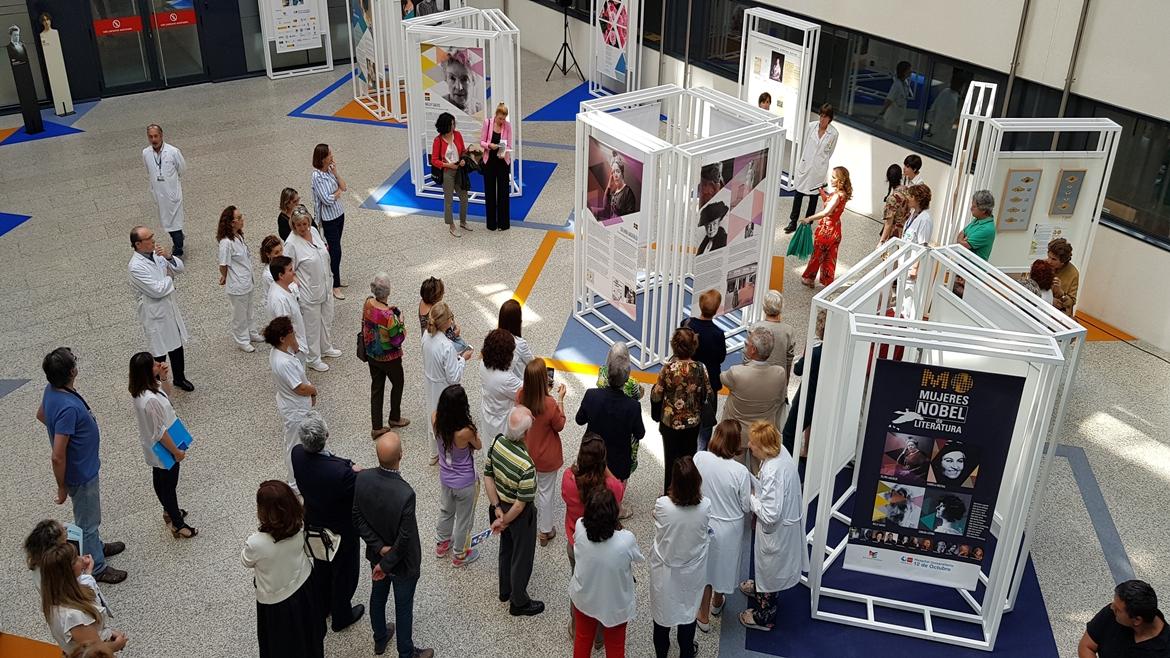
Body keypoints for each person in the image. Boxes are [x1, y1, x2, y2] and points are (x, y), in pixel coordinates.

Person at [37, 347, 127, 584]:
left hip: (83, 466)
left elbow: (41, 415)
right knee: (88, 522)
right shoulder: (67, 407)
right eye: (74, 361)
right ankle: (96, 567)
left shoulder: (52, 391)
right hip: (81, 473)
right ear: (71, 371)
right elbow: (57, 456)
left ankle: (95, 546)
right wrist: (61, 486)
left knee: (89, 519)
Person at [290, 412, 364, 633]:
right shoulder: (341, 473)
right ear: (327, 435)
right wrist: (354, 469)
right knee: (345, 572)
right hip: (341, 529)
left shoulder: (296, 456)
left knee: (322, 566)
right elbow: (357, 491)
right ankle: (342, 614)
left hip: (314, 522)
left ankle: (323, 606)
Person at [242, 480, 325, 658]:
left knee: (281, 645)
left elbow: (246, 560)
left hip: (275, 601)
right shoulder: (298, 524)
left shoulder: (255, 543)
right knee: (310, 634)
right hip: (305, 584)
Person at [739, 421, 804, 632]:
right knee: (767, 572)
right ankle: (760, 588)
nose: (749, 445)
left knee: (770, 571)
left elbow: (770, 514)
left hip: (776, 532)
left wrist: (750, 498)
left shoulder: (773, 471)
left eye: (754, 444)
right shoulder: (780, 452)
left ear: (765, 447)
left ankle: (763, 617)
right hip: (783, 526)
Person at [569, 488, 644, 658]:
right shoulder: (625, 540)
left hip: (584, 597)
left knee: (582, 640)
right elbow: (638, 558)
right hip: (614, 604)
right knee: (615, 648)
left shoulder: (580, 526)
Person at [128, 351, 196, 539]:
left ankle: (169, 511)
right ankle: (178, 523)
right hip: (165, 446)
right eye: (153, 364)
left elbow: (166, 394)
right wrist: (177, 452)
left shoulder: (142, 389)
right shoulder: (149, 400)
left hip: (155, 444)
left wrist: (164, 376)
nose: (158, 363)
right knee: (168, 485)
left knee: (160, 478)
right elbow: (160, 432)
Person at [485, 406, 544, 616]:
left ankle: (505, 590)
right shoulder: (527, 465)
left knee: (506, 548)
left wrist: (497, 508)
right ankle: (518, 601)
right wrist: (507, 520)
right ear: (526, 434)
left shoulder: (497, 442)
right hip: (519, 516)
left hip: (499, 504)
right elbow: (521, 504)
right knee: (522, 555)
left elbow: (488, 475)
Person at [650, 457, 711, 658]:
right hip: (692, 572)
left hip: (665, 573)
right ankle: (686, 652)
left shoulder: (663, 505)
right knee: (688, 613)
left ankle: (662, 655)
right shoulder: (705, 506)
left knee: (662, 617)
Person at [694, 421, 752, 631]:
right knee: (723, 566)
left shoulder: (700, 457)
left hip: (705, 519)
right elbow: (746, 506)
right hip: (730, 527)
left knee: (705, 569)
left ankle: (702, 615)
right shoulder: (740, 471)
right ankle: (718, 602)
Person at [128, 225, 193, 391]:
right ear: (138, 244)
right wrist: (169, 278)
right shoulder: (136, 267)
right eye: (149, 238)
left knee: (176, 344)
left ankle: (179, 378)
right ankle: (156, 382)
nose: (153, 240)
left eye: (152, 236)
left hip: (168, 307)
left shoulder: (157, 255)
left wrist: (169, 257)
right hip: (154, 312)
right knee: (159, 350)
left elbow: (179, 268)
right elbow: (156, 290)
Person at [577, 345, 646, 492]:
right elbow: (640, 433)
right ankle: (618, 509)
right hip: (619, 457)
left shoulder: (591, 395)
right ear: (627, 378)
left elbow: (579, 420)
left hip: (593, 451)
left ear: (607, 373)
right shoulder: (633, 406)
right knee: (617, 487)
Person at [652, 327, 712, 494]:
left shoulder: (668, 368)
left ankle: (669, 493)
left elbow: (657, 395)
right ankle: (687, 492)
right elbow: (709, 393)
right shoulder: (700, 368)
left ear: (674, 346)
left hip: (670, 422)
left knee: (671, 459)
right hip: (692, 423)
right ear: (693, 346)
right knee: (688, 458)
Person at [38, 543, 125, 654]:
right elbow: (94, 653)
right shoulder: (74, 617)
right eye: (76, 558)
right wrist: (117, 644)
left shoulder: (56, 595)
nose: (81, 558)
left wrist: (107, 633)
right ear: (68, 571)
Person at [263, 316, 317, 493]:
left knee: (295, 441)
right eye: (291, 333)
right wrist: (313, 389)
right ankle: (294, 483)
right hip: (295, 408)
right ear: (282, 338)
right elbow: (299, 388)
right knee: (294, 445)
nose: (294, 335)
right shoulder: (283, 362)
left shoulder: (281, 352)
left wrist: (294, 345)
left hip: (293, 404)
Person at [720, 327, 787, 470]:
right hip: (762, 433)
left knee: (734, 470)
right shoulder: (780, 373)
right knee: (760, 471)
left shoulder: (736, 373)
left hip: (737, 433)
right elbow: (780, 400)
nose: (745, 344)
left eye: (747, 343)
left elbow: (721, 378)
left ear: (753, 349)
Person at [517, 357, 567, 546]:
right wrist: (560, 399)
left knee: (528, 488)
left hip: (526, 452)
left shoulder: (521, 395)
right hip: (546, 456)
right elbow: (560, 425)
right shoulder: (550, 404)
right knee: (546, 492)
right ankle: (545, 531)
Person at [433, 384, 483, 567]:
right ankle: (459, 555)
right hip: (465, 482)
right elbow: (478, 446)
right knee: (463, 519)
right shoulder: (466, 431)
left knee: (446, 510)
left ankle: (442, 543)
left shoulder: (435, 419)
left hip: (445, 477)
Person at [285, 208, 340, 370]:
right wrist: (297, 286)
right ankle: (313, 358)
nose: (303, 228)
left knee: (326, 319)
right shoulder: (291, 244)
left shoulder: (314, 232)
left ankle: (326, 347)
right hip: (308, 292)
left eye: (305, 223)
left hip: (325, 285)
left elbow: (323, 251)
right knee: (312, 326)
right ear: (293, 226)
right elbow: (289, 269)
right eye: (299, 225)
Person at [422, 302, 472, 466]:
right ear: (446, 321)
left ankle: (433, 453)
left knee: (432, 414)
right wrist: (462, 360)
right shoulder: (447, 346)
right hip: (444, 388)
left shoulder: (426, 336)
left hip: (430, 382)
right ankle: (448, 455)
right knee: (447, 420)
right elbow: (454, 377)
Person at [364, 272, 409, 438]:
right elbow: (397, 339)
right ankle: (394, 417)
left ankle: (376, 426)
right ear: (388, 291)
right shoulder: (389, 317)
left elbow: (374, 318)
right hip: (389, 358)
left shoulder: (368, 303)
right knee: (398, 383)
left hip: (371, 354)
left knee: (377, 387)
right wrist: (401, 322)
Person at [1078, 580, 1170, 657]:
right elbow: (1086, 646)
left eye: (1118, 610)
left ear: (1137, 620)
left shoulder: (1165, 651)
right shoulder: (1113, 611)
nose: (1112, 608)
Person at [682, 290, 726, 451]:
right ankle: (701, 456)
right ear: (716, 310)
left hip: (688, 379)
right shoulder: (718, 334)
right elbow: (721, 357)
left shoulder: (686, 324)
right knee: (706, 423)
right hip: (710, 384)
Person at [785, 104, 838, 234]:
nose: (822, 119)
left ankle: (807, 223)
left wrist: (819, 163)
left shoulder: (833, 133)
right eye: (821, 115)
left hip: (818, 170)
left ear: (830, 119)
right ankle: (793, 222)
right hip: (806, 165)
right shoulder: (811, 126)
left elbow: (829, 152)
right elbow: (804, 143)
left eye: (825, 117)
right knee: (798, 194)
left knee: (813, 197)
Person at [217, 205, 262, 353]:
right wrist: (225, 276)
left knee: (249, 310)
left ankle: (252, 332)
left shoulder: (238, 236)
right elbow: (223, 264)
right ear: (231, 222)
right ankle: (242, 339)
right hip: (237, 284)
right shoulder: (226, 243)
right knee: (239, 314)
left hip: (246, 280)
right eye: (239, 218)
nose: (243, 220)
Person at [801, 166, 852, 288]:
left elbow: (826, 212)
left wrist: (809, 218)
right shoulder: (842, 194)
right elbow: (830, 205)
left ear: (841, 180)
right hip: (836, 230)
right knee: (830, 258)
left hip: (826, 230)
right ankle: (827, 282)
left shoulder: (836, 196)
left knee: (817, 255)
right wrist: (822, 192)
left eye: (834, 177)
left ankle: (809, 278)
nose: (831, 179)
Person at [782, 311, 824, 457]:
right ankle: (807, 452)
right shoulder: (838, 348)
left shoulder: (816, 351)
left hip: (808, 397)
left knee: (789, 433)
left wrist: (804, 356)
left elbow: (799, 370)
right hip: (825, 398)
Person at [142, 124, 186, 256]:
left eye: (156, 136)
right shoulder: (146, 153)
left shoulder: (173, 152)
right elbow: (148, 170)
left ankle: (178, 248)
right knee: (167, 221)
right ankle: (179, 237)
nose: (153, 139)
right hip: (159, 193)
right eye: (151, 137)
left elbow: (182, 169)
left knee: (175, 223)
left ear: (161, 136)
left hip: (172, 193)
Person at [310, 143, 347, 299]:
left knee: (335, 249)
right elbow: (326, 200)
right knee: (335, 251)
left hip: (339, 214)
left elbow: (344, 186)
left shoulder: (330, 172)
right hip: (329, 218)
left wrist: (336, 173)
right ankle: (334, 285)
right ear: (323, 158)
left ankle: (334, 276)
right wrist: (337, 192)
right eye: (330, 154)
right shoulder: (317, 176)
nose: (332, 156)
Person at [266, 254, 315, 367]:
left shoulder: (284, 288)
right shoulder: (279, 300)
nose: (294, 273)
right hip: (292, 349)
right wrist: (296, 348)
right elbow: (285, 328)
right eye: (290, 270)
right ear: (281, 275)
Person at [432, 111, 473, 237]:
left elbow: (463, 151)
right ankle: (451, 225)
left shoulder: (458, 135)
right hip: (447, 172)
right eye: (452, 124)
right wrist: (447, 165)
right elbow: (434, 160)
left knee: (464, 197)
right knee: (449, 200)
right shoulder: (438, 140)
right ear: (445, 126)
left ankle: (463, 221)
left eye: (454, 124)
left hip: (459, 171)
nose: (454, 126)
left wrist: (464, 158)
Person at [481, 328, 523, 441]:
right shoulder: (506, 379)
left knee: (488, 446)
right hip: (502, 422)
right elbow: (526, 391)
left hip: (488, 413)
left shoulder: (483, 364)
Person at [418, 276, 472, 355]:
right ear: (435, 297)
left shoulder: (423, 302)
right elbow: (439, 338)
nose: (443, 294)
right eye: (442, 293)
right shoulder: (435, 313)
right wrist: (455, 334)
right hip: (443, 347)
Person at [481, 102, 513, 231]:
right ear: (496, 115)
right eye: (500, 118)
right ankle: (491, 224)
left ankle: (503, 223)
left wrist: (504, 152)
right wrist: (490, 146)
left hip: (502, 162)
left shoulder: (508, 126)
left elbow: (509, 145)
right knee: (490, 192)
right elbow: (482, 142)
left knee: (503, 193)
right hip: (489, 162)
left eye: (504, 119)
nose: (502, 121)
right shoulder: (487, 123)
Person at [751, 290, 795, 373]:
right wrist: (786, 379)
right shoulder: (788, 331)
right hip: (778, 375)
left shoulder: (754, 328)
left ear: (764, 307)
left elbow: (748, 355)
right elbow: (789, 358)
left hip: (756, 374)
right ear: (781, 307)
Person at [498, 298, 534, 380]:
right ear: (518, 321)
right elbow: (532, 363)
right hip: (517, 384)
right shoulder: (520, 343)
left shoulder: (494, 339)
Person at [1046, 237, 1080, 317]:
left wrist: (1061, 293)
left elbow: (1070, 304)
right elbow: (1031, 288)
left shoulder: (1073, 273)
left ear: (1063, 262)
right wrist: (1050, 300)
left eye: (1054, 259)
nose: (1049, 261)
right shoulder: (1043, 265)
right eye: (1049, 256)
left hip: (1057, 315)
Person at [959, 189, 997, 260]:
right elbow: (962, 233)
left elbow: (962, 245)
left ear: (983, 210)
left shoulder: (987, 229)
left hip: (972, 269)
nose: (971, 209)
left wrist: (963, 240)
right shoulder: (978, 219)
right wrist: (962, 239)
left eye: (974, 207)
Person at [878, 164, 911, 244]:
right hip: (905, 232)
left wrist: (881, 242)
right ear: (900, 176)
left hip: (893, 235)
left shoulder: (892, 199)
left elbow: (889, 224)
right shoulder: (907, 191)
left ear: (888, 178)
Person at [441, 49, 481, 114]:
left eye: (464, 79)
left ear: (474, 81)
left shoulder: (480, 109)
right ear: (446, 79)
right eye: (452, 78)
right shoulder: (440, 104)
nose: (458, 87)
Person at [879, 61, 913, 134]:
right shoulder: (897, 85)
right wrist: (882, 111)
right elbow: (889, 99)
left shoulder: (905, 83)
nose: (911, 71)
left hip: (899, 118)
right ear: (904, 71)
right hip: (892, 120)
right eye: (909, 70)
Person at [259, 235, 284, 301]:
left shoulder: (283, 264)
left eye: (281, 250)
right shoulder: (268, 275)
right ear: (268, 254)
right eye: (276, 253)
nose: (280, 254)